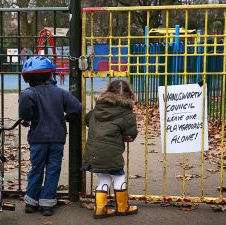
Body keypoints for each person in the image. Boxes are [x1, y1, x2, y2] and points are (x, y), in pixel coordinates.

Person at [19, 56, 81, 216]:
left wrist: (27, 119)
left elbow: (25, 111)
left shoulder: (29, 93)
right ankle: (47, 203)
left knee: (36, 168)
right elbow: (76, 108)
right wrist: (67, 118)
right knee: (53, 169)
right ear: (50, 75)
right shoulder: (60, 93)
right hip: (57, 138)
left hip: (38, 139)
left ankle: (31, 201)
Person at [82, 80, 138, 219]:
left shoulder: (98, 108)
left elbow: (87, 119)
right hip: (112, 153)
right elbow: (131, 134)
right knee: (119, 177)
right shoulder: (127, 113)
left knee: (104, 179)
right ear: (129, 95)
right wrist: (125, 136)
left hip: (94, 152)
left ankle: (100, 209)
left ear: (108, 92)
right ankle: (122, 207)